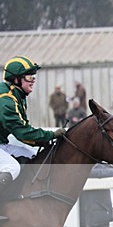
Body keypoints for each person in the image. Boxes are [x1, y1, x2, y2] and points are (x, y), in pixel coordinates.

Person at [0, 56, 66, 199]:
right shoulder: (6, 99)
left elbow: (26, 130)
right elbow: (22, 133)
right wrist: (50, 135)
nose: (33, 81)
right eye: (29, 77)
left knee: (33, 155)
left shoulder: (17, 95)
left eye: (34, 77)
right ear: (16, 79)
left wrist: (44, 140)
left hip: (1, 143)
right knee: (12, 167)